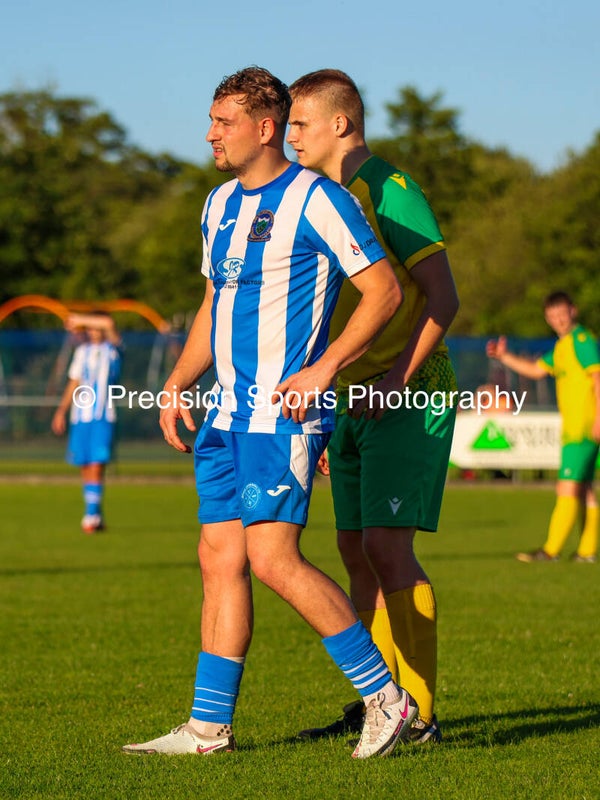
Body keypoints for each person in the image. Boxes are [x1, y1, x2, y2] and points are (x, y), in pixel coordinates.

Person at [122, 66, 419, 759]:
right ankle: (207, 729)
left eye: (222, 122)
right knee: (218, 558)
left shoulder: (318, 198)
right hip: (225, 417)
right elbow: (213, 304)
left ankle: (387, 698)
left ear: (264, 128)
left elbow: (384, 291)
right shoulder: (217, 204)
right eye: (211, 120)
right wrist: (178, 381)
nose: (210, 133)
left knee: (273, 559)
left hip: (281, 417)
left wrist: (324, 368)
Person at [286, 69, 459, 744]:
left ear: (341, 124)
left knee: (387, 547)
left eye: (299, 123)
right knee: (354, 549)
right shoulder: (322, 198)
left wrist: (394, 380)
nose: (289, 137)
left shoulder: (391, 189)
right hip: (353, 401)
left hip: (410, 393)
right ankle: (380, 702)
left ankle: (419, 714)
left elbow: (443, 297)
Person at [487, 291, 600, 563]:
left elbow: (598, 377)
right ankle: (587, 552)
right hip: (575, 427)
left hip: (583, 427)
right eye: (552, 316)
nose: (558, 320)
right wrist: (504, 356)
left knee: (567, 486)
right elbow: (537, 370)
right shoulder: (563, 346)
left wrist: (598, 418)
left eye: (562, 314)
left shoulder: (582, 341)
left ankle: (551, 550)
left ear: (573, 311)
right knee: (584, 487)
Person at [51, 311, 121, 533]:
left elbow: (108, 323)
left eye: (95, 326)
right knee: (84, 464)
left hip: (102, 416)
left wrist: (78, 319)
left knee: (97, 463)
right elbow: (74, 383)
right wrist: (61, 411)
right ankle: (94, 514)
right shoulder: (82, 352)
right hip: (80, 416)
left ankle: (91, 515)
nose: (94, 330)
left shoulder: (113, 349)